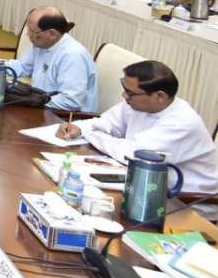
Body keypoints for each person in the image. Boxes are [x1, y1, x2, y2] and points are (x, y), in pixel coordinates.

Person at [54, 60, 218, 195]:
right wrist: (78, 127)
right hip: (145, 185)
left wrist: (91, 134)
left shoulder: (183, 122)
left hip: (186, 201)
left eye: (129, 92)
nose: (124, 96)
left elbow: (133, 154)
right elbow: (109, 122)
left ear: (159, 96)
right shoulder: (137, 103)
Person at [4, 7, 99, 113]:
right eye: (28, 29)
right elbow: (23, 66)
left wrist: (33, 101)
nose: (28, 35)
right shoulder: (42, 44)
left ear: (52, 34)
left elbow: (71, 101)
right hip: (42, 106)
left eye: (33, 31)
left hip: (67, 116)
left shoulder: (73, 56)